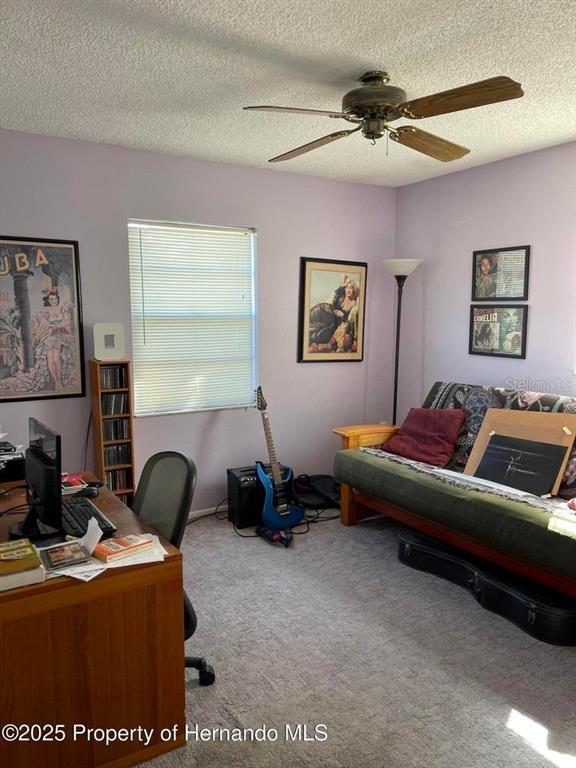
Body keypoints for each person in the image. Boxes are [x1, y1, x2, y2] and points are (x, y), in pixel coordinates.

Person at [32, 291, 73, 391]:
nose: (54, 301)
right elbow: (37, 321)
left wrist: (56, 326)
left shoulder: (63, 308)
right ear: (48, 300)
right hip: (48, 336)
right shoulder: (44, 310)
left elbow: (67, 321)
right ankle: (56, 382)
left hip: (59, 336)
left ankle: (59, 382)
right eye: (52, 299)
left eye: (56, 299)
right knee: (50, 360)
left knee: (56, 360)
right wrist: (33, 330)